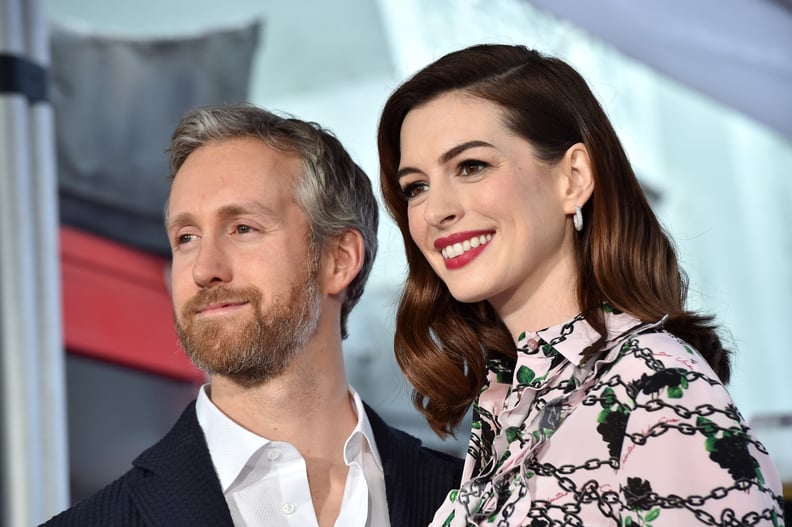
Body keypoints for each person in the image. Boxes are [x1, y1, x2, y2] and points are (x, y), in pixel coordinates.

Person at [377, 44, 785, 526]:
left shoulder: (656, 388)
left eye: (471, 166)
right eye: (415, 187)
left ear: (573, 177)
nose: (435, 210)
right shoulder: (508, 404)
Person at [43, 103, 462, 527]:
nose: (204, 269)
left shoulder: (472, 501)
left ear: (339, 259)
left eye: (242, 228)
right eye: (186, 238)